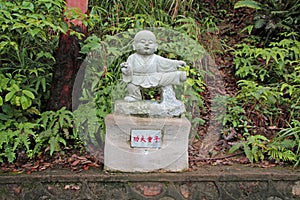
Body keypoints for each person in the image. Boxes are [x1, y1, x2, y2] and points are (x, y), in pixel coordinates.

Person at [121, 30, 187, 103]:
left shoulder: (156, 58)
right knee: (131, 84)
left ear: (156, 46)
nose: (146, 44)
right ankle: (135, 96)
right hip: (137, 77)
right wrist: (126, 69)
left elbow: (167, 62)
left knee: (166, 77)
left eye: (150, 43)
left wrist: (177, 63)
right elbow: (128, 69)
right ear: (134, 45)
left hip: (155, 76)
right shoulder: (132, 57)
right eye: (142, 42)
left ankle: (179, 75)